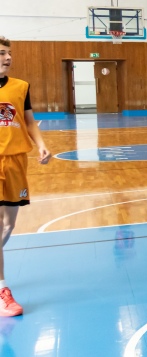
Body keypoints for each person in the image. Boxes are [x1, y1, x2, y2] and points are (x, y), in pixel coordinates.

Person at [0, 36, 51, 317]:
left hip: (16, 161)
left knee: (8, 226)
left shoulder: (21, 86)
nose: (8, 58)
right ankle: (2, 291)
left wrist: (41, 143)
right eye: (2, 53)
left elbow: (29, 121)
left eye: (9, 53)